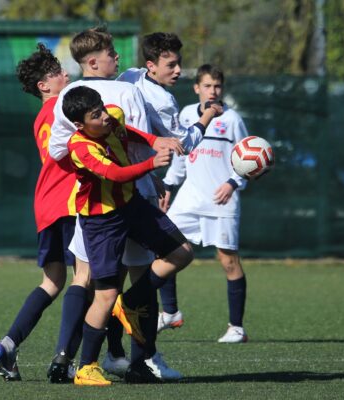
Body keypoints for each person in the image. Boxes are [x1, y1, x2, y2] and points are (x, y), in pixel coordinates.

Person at [49, 26, 184, 381]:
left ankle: (70, 358)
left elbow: (57, 150)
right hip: (115, 202)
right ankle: (139, 360)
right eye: (112, 53)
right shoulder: (127, 90)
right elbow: (134, 152)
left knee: (87, 280)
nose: (118, 58)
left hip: (93, 198)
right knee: (124, 283)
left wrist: (85, 170)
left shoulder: (70, 94)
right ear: (94, 60)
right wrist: (149, 174)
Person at [0, 43, 91, 385]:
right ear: (43, 86)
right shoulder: (65, 110)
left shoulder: (39, 119)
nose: (64, 74)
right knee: (86, 280)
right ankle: (67, 359)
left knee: (52, 282)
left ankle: (8, 343)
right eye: (55, 73)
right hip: (72, 201)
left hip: (46, 203)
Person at [117, 32, 223, 331]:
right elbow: (184, 143)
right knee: (178, 253)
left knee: (110, 275)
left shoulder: (129, 76)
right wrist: (207, 117)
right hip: (136, 190)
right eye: (171, 64)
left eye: (179, 63)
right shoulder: (164, 100)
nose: (178, 70)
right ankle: (135, 328)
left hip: (121, 182)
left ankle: (115, 354)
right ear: (151, 65)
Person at [160, 64, 250, 343]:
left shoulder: (232, 119)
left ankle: (236, 328)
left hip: (221, 200)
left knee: (228, 261)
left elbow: (250, 157)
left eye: (218, 86)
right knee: (164, 248)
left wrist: (232, 183)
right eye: (208, 86)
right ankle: (170, 312)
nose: (213, 91)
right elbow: (181, 156)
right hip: (189, 198)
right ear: (197, 88)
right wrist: (167, 185)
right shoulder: (186, 114)